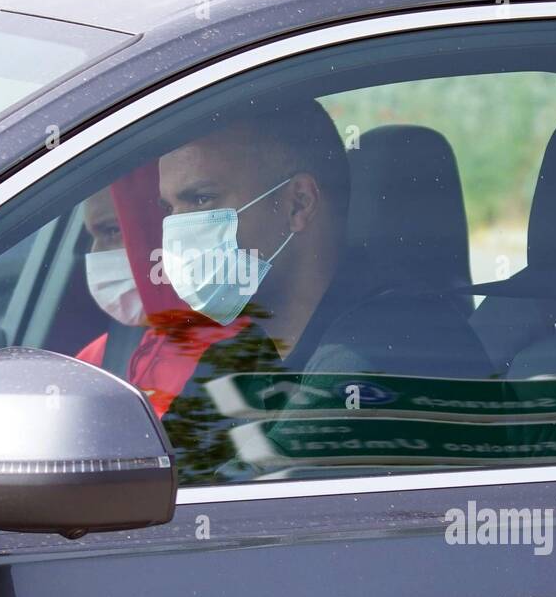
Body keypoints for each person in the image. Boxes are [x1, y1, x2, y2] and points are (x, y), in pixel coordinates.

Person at [152, 98, 492, 482]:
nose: (176, 233)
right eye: (170, 208)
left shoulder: (385, 348)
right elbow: (160, 479)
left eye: (201, 199)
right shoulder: (242, 351)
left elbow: (234, 510)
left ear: (299, 204)